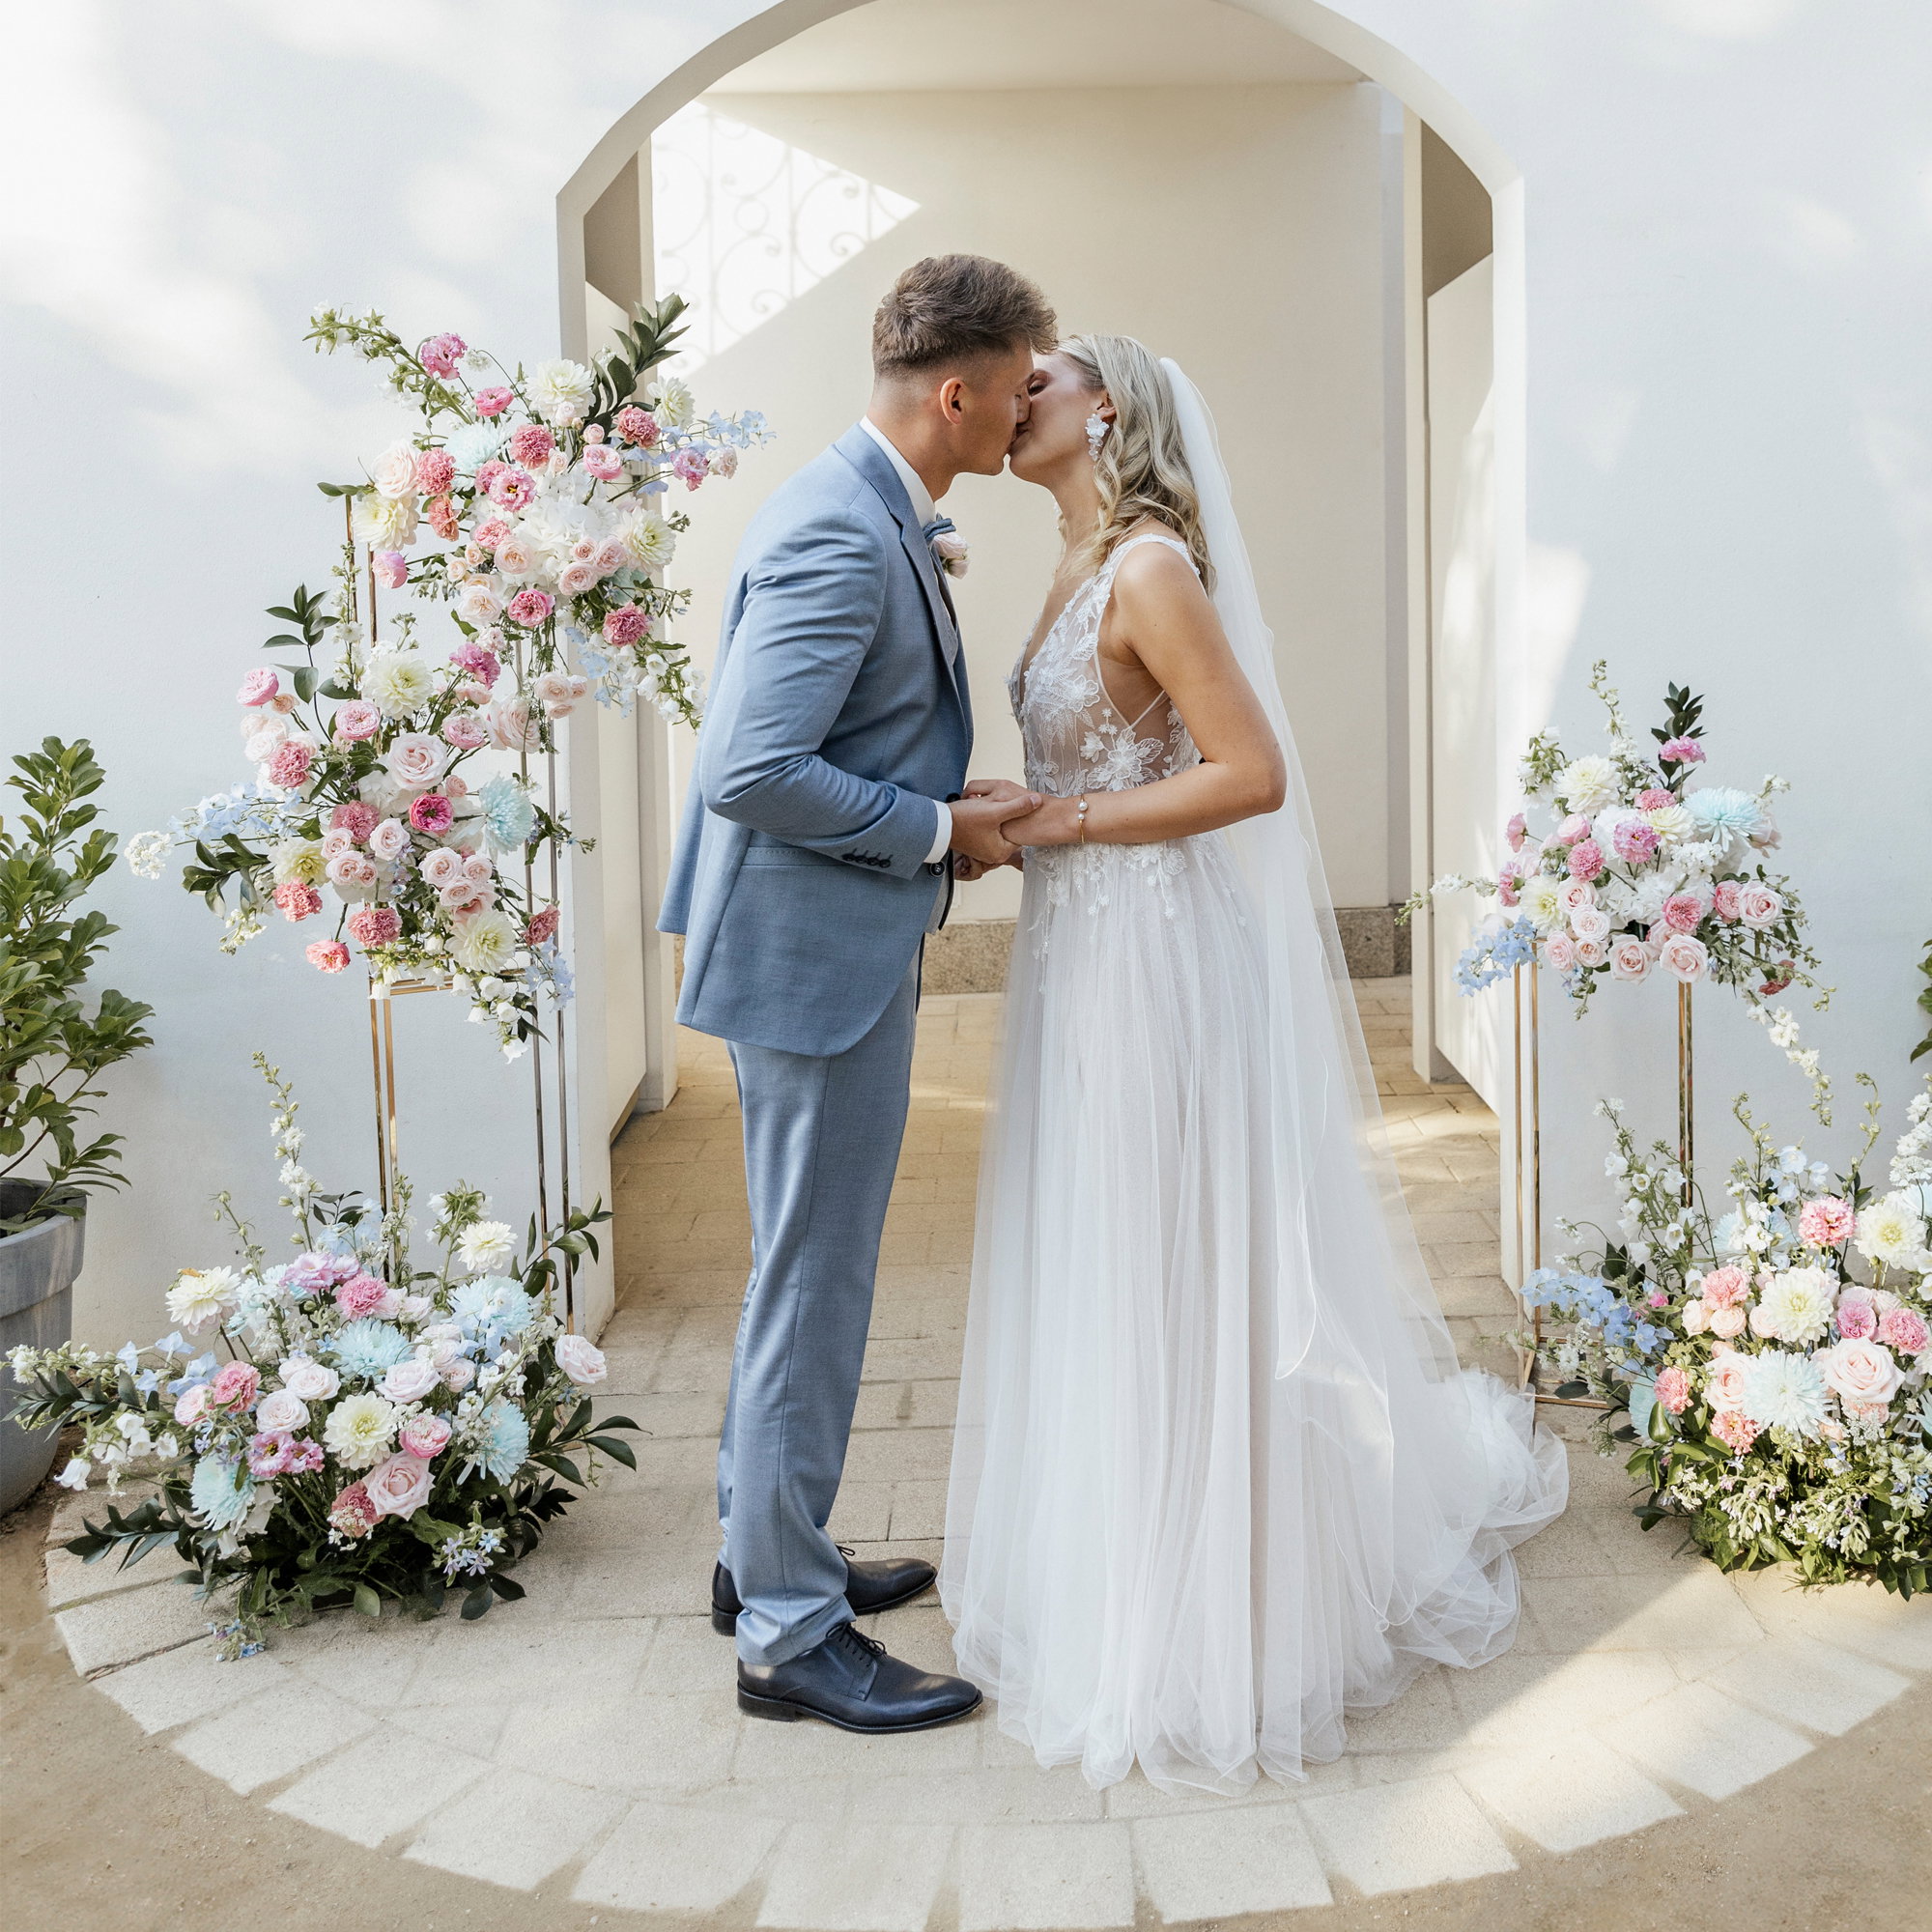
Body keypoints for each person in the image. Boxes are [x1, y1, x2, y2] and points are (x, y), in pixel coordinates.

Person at [940, 335, 1569, 1794]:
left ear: (1112, 409)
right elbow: (1095, 756)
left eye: (1051, 371)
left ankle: (1223, 1618)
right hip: (1082, 960)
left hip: (1158, 963)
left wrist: (1064, 824)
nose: (1019, 387)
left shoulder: (1152, 566)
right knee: (1110, 1253)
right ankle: (1126, 1555)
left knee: (1176, 1258)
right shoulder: (1064, 561)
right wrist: (1014, 807)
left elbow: (1252, 773)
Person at [659, 255, 1057, 1732]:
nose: (1027, 411)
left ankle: (765, 1556)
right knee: (812, 1289)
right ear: (957, 390)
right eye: (1021, 385)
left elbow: (838, 729)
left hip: (823, 943)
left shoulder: (872, 499)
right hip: (815, 959)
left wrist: (939, 795)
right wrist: (935, 832)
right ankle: (787, 1636)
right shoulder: (843, 526)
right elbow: (752, 772)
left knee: (802, 1276)